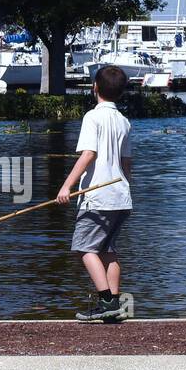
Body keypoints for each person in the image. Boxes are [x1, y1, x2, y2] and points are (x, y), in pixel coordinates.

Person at [57, 65, 132, 322]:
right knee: (108, 249)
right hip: (121, 197)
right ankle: (115, 307)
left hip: (97, 197)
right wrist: (125, 189)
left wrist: (67, 186)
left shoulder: (92, 117)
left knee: (84, 248)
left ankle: (107, 301)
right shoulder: (124, 121)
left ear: (95, 88)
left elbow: (89, 153)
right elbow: (127, 164)